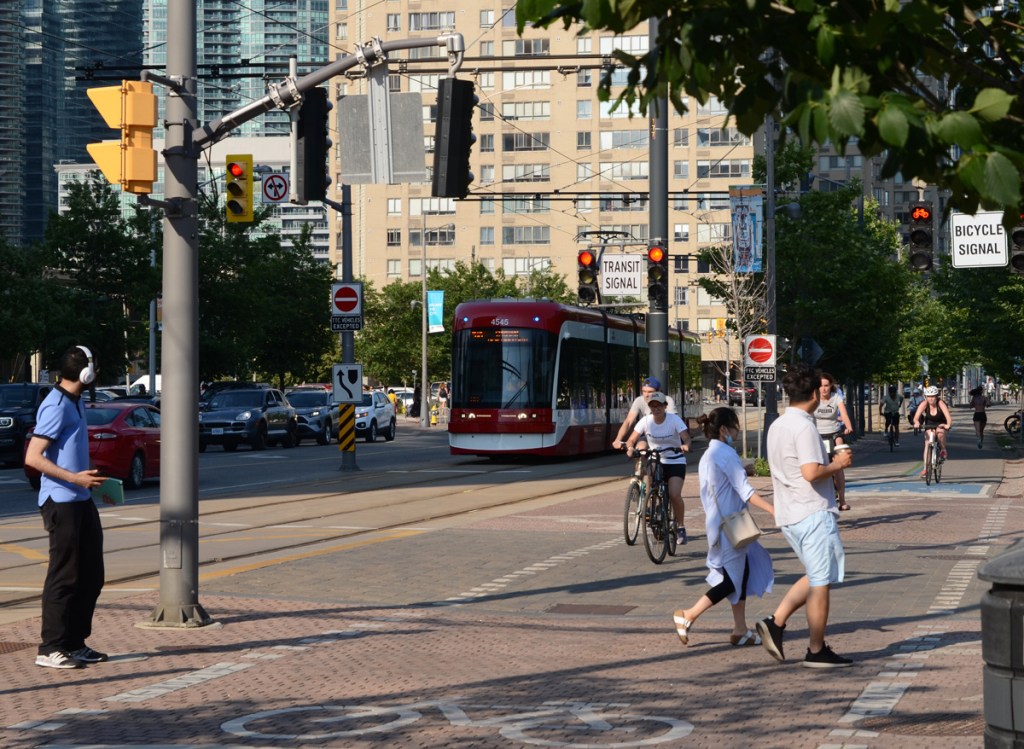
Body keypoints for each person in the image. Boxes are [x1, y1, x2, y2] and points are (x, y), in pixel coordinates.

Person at [757, 363, 854, 668]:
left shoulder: (778, 424)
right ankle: (816, 649)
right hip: (811, 511)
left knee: (816, 574)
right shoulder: (805, 426)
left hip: (790, 513)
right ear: (814, 393)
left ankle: (776, 622)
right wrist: (839, 464)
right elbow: (811, 472)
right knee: (821, 581)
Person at [23, 346, 111, 670]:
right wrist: (74, 477)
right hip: (61, 503)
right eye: (93, 368)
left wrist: (88, 476)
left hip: (81, 499)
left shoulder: (77, 401)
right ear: (85, 374)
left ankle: (75, 643)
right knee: (64, 576)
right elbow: (33, 457)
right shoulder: (56, 405)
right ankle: (50, 647)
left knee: (92, 575)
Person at [672, 407, 775, 646]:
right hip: (731, 526)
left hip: (718, 524)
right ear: (723, 429)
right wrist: (773, 510)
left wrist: (743, 470)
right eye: (735, 426)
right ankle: (688, 615)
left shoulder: (709, 454)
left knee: (741, 574)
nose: (737, 431)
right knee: (730, 581)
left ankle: (740, 629)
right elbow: (746, 492)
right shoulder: (726, 453)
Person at [625, 391, 692, 545]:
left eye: (659, 405)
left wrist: (685, 446)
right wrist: (630, 448)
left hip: (675, 461)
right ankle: (649, 506)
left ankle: (680, 526)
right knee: (649, 472)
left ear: (665, 406)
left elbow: (687, 438)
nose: (656, 408)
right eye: (652, 406)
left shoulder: (674, 420)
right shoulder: (646, 421)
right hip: (657, 458)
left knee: (674, 494)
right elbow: (632, 439)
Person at [611, 377, 678, 477]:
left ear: (659, 392)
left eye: (650, 392)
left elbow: (674, 422)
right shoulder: (639, 401)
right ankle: (640, 479)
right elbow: (628, 421)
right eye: (644, 391)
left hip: (666, 437)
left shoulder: (667, 400)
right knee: (639, 449)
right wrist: (618, 439)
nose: (646, 395)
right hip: (649, 435)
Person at [813, 373, 853, 511]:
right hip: (817, 434)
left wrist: (848, 426)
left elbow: (844, 414)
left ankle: (842, 500)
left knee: (839, 464)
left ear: (831, 386)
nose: (823, 389)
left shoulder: (836, 398)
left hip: (834, 432)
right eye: (820, 386)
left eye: (826, 386)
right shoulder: (813, 398)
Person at [913, 385, 952, 475]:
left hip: (941, 422)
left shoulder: (940, 403)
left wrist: (947, 425)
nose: (931, 399)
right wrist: (916, 422)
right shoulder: (924, 404)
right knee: (927, 443)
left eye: (933, 396)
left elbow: (948, 417)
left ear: (936, 396)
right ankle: (925, 467)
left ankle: (943, 449)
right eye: (929, 397)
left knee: (940, 433)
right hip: (929, 423)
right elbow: (916, 417)